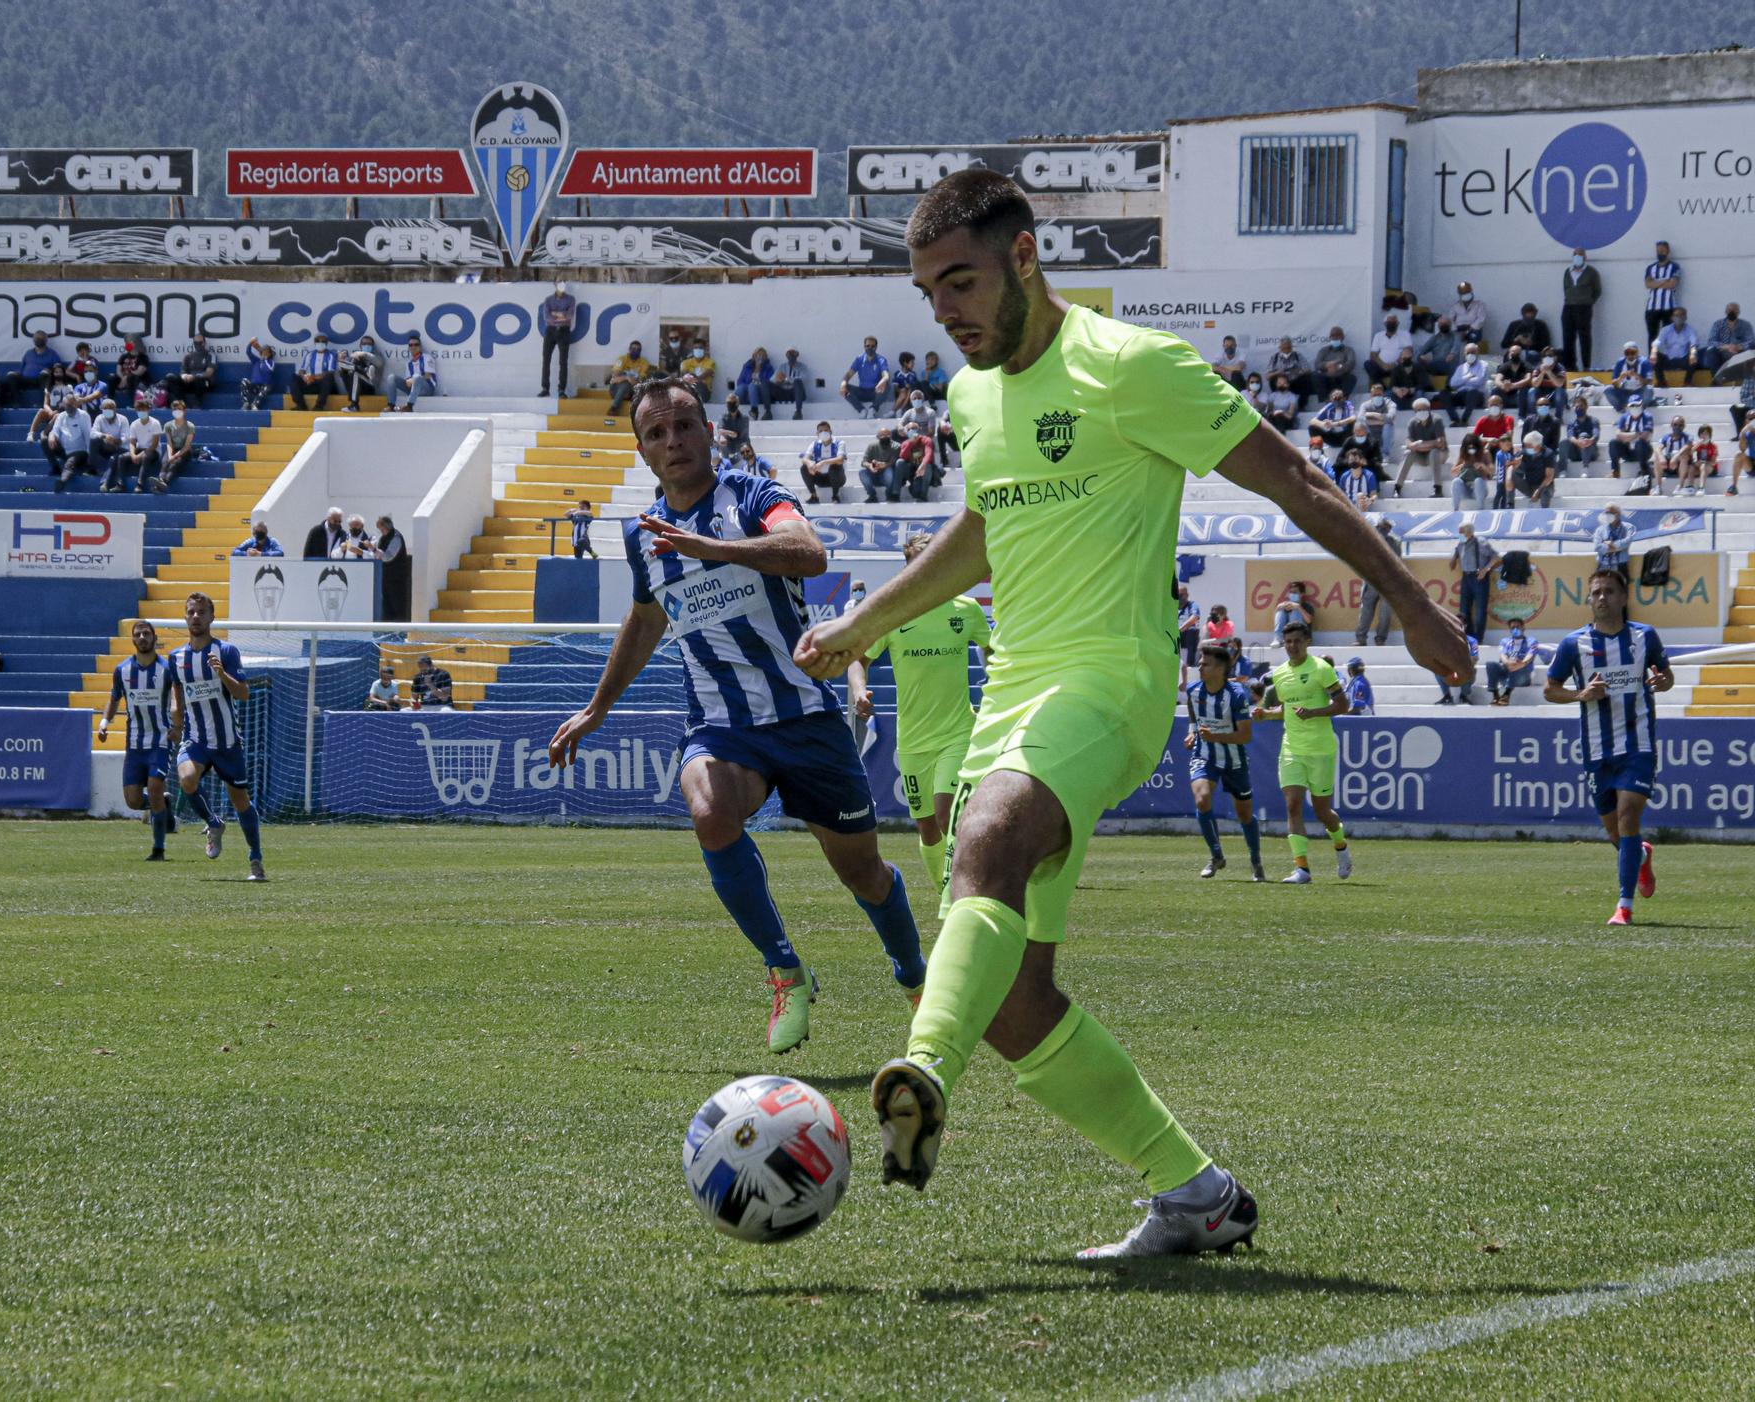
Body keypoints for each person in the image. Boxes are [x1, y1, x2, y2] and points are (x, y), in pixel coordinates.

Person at [792, 170, 1466, 1258]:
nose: (942, 311)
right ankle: (1194, 1192)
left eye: (958, 281)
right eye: (925, 293)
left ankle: (920, 1070)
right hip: (1010, 688)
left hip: (1111, 680)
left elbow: (1293, 477)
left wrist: (1406, 598)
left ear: (1022, 258)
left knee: (985, 838)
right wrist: (863, 623)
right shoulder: (968, 397)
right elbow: (982, 531)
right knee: (1015, 1001)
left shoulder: (1131, 366)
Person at [549, 374, 930, 1055]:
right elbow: (643, 621)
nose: (673, 441)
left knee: (864, 875)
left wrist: (712, 549)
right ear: (641, 451)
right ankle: (785, 970)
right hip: (723, 726)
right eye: (656, 434)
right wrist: (596, 709)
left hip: (808, 718)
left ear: (710, 431)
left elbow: (810, 553)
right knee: (708, 810)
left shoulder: (752, 496)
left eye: (684, 425)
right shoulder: (644, 539)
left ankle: (914, 978)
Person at [844, 533, 992, 896]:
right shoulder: (895, 614)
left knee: (947, 816)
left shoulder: (966, 609)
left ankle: (961, 897)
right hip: (913, 740)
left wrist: (999, 681)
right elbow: (857, 661)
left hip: (958, 731)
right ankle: (947, 894)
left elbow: (993, 652)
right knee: (927, 827)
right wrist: (859, 690)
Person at [1544, 570, 1673, 926]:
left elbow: (1666, 675)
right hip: (1597, 750)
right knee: (1617, 833)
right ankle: (1640, 859)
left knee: (1628, 815)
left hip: (1638, 744)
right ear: (1589, 599)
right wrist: (1579, 694)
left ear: (1623, 597)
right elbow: (1550, 688)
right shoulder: (1574, 644)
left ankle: (1624, 906)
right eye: (1596, 592)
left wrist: (1663, 681)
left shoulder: (1644, 637)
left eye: (1609, 592)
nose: (1602, 597)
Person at [167, 592, 266, 882]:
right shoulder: (176, 658)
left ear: (212, 617)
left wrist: (222, 675)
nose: (195, 617)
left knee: (241, 802)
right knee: (186, 779)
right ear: (185, 617)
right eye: (191, 612)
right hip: (195, 739)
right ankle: (214, 823)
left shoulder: (227, 651)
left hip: (226, 743)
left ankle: (255, 858)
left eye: (201, 612)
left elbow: (243, 694)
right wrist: (175, 714)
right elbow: (177, 693)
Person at [1250, 620, 1354, 884]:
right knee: (1293, 805)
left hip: (1321, 749)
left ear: (1307, 642)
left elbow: (1343, 704)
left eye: (1297, 641)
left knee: (1323, 812)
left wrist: (1313, 713)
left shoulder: (1321, 669)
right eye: (1288, 642)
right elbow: (1287, 710)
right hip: (1291, 749)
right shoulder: (1280, 673)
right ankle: (1302, 869)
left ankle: (1340, 846)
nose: (1292, 646)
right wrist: (1266, 714)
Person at [1181, 642, 1264, 881]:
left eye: (1205, 664)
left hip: (1234, 761)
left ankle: (1256, 860)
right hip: (1204, 755)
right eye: (1199, 663)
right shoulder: (1194, 690)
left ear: (1219, 669)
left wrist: (1214, 735)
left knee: (1245, 814)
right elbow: (1193, 713)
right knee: (1202, 798)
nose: (1200, 667)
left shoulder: (1237, 695)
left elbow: (1246, 735)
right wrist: (1192, 731)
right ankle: (1216, 855)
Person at [98, 620, 180, 860]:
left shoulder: (166, 669)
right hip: (134, 744)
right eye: (138, 634)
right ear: (133, 640)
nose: (142, 637)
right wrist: (104, 724)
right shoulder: (122, 671)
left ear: (154, 638)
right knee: (133, 801)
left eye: (146, 633)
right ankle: (163, 807)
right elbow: (114, 699)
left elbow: (177, 700)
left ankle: (158, 849)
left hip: (160, 741)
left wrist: (177, 726)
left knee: (155, 787)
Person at [1355, 518, 1402, 645]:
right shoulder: (1367, 540)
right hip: (1371, 579)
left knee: (1385, 612)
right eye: (1380, 528)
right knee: (1366, 610)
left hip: (1388, 581)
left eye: (1385, 528)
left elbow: (1396, 562)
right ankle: (1361, 638)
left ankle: (1381, 638)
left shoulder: (1395, 542)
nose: (1382, 531)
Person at [1452, 522, 1499, 643]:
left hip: (1479, 577)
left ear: (1469, 532)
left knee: (1479, 611)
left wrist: (1486, 569)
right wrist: (1454, 558)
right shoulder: (1461, 543)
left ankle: (1478, 639)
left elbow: (1495, 557)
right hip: (1466, 577)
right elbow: (1458, 551)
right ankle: (1467, 636)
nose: (1460, 534)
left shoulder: (1481, 543)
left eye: (1461, 532)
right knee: (1464, 609)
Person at [1391, 397, 1447, 498]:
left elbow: (1440, 443)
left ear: (1429, 409)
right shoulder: (1412, 422)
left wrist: (1419, 445)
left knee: (1434, 451)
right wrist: (1416, 446)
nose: (1421, 412)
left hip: (1439, 454)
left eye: (1424, 409)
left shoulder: (1436, 420)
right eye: (1418, 410)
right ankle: (1397, 488)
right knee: (1408, 453)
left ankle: (1438, 489)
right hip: (1422, 456)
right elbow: (1409, 442)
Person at [44, 394, 94, 490]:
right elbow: (55, 431)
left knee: (70, 463)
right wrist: (51, 436)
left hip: (80, 452)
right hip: (65, 450)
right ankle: (55, 467)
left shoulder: (84, 416)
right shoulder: (61, 416)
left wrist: (90, 458)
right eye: (67, 405)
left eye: (71, 405)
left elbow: (88, 436)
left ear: (76, 404)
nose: (69, 407)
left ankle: (62, 481)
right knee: (44, 440)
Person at [1561, 248, 1600, 371]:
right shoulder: (1568, 271)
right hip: (1568, 307)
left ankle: (1586, 366)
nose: (1578, 257)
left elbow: (1597, 291)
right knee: (1568, 337)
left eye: (1580, 255)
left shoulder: (1591, 272)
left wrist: (1588, 302)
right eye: (1575, 255)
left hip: (1584, 308)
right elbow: (1565, 288)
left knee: (1584, 337)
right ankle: (1570, 366)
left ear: (1585, 257)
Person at [4, 331, 63, 408]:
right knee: (11, 375)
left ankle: (43, 403)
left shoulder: (52, 353)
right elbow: (21, 368)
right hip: (26, 380)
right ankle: (16, 402)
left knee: (45, 374)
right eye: (37, 338)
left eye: (41, 338)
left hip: (41, 380)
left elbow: (58, 369)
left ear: (46, 340)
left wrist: (49, 370)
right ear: (33, 340)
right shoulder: (28, 353)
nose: (39, 339)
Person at [539, 280, 576, 397]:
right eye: (559, 283)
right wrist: (562, 315)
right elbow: (547, 317)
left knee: (563, 362)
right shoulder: (548, 299)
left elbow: (569, 315)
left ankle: (561, 390)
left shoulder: (570, 299)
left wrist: (556, 314)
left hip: (564, 331)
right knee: (546, 360)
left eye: (563, 283)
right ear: (555, 285)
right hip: (550, 331)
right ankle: (545, 388)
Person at [1487, 619, 1536, 706]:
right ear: (1510, 630)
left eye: (1518, 627)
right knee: (1491, 665)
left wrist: (1518, 664)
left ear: (1523, 628)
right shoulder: (1505, 641)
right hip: (1506, 674)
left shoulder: (1531, 641)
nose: (1515, 629)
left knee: (1516, 665)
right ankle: (1495, 695)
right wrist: (1508, 663)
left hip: (1522, 676)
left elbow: (1529, 657)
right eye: (1513, 627)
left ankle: (1507, 694)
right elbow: (1503, 656)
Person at [1650, 308, 1701, 388]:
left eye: (1681, 315)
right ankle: (1661, 382)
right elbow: (1657, 342)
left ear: (1685, 317)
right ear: (1672, 317)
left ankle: (1687, 382)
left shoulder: (1690, 330)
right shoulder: (1666, 329)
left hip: (1683, 359)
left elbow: (1694, 344)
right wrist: (1653, 353)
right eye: (1676, 315)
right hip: (1668, 359)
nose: (1679, 317)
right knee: (1655, 355)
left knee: (1695, 355)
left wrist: (1693, 353)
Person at [841, 336, 890, 417]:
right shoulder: (859, 359)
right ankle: (861, 410)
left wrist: (883, 381)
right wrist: (843, 384)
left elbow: (886, 375)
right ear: (864, 346)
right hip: (862, 392)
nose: (870, 348)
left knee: (887, 385)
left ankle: (873, 409)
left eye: (872, 346)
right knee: (845, 386)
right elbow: (849, 374)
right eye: (867, 346)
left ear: (876, 347)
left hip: (875, 392)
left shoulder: (881, 360)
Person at [1642, 241, 1680, 347]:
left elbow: (1672, 284)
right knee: (1652, 337)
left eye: (1662, 251)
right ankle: (1653, 362)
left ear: (1668, 251)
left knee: (1669, 337)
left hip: (1669, 308)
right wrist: (1665, 281)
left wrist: (1656, 282)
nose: (1660, 253)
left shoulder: (1674, 267)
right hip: (1651, 308)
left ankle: (1667, 362)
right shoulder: (1651, 268)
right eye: (1658, 251)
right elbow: (1648, 284)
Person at [1508, 430, 1558, 508]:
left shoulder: (1548, 454)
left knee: (1545, 492)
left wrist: (1538, 490)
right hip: (1529, 486)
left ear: (1537, 446)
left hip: (1544, 486)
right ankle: (1509, 504)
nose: (1526, 447)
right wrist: (1514, 464)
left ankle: (1545, 511)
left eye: (1529, 446)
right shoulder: (1524, 452)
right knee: (1511, 474)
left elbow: (1549, 477)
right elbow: (1509, 463)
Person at [799, 421, 846, 503]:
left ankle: (835, 496)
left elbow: (840, 459)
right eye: (820, 431)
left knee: (835, 466)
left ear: (830, 432)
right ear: (817, 434)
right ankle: (814, 496)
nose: (823, 433)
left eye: (826, 430)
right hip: (820, 478)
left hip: (838, 479)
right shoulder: (814, 444)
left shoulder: (839, 443)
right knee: (804, 468)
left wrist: (823, 462)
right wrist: (809, 463)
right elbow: (804, 458)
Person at [1608, 397, 1655, 479]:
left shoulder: (1647, 417)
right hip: (1628, 450)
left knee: (1640, 443)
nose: (1634, 407)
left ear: (1641, 404)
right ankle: (1615, 471)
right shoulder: (1624, 417)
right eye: (1632, 405)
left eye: (1637, 405)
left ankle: (1644, 470)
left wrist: (1626, 436)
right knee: (1613, 443)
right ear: (1628, 406)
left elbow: (1646, 435)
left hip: (1643, 451)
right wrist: (1636, 434)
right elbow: (1618, 435)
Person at [374, 515, 410, 620]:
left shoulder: (396, 537)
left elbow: (388, 557)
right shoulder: (383, 538)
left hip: (396, 578)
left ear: (386, 527)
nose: (381, 531)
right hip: (386, 577)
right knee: (387, 605)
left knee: (397, 604)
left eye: (381, 529)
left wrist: (374, 550)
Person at [90, 399, 129, 490]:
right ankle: (92, 468)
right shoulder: (99, 418)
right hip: (105, 446)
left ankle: (104, 484)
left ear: (115, 409)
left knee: (113, 458)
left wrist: (115, 441)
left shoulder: (123, 419)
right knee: (94, 441)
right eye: (105, 408)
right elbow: (92, 433)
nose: (108, 410)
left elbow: (126, 437)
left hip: (119, 448)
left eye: (111, 408)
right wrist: (104, 436)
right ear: (102, 409)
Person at [605, 339, 652, 415]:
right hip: (615, 390)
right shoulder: (622, 359)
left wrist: (626, 379)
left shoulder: (644, 363)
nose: (635, 351)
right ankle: (614, 408)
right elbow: (614, 378)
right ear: (629, 349)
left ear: (640, 351)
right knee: (625, 384)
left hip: (632, 391)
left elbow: (639, 381)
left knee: (629, 385)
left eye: (638, 349)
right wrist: (627, 378)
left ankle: (614, 408)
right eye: (633, 349)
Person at [1703, 302, 1752, 374]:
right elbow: (1711, 341)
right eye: (1729, 310)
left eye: (1734, 310)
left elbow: (1751, 341)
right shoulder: (1718, 324)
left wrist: (1738, 347)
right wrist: (1727, 347)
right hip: (1722, 352)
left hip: (1739, 353)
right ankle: (1717, 380)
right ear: (1725, 312)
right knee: (1711, 351)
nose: (1731, 312)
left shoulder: (1745, 325)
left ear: (1739, 312)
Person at [1445, 347, 1489, 427]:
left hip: (1476, 396)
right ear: (1464, 354)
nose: (1470, 355)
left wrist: (1461, 381)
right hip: (1461, 395)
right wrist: (1468, 376)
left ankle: (1464, 419)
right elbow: (1452, 383)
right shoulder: (1460, 367)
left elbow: (1479, 381)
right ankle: (1455, 419)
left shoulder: (1483, 365)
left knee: (1472, 392)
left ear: (1477, 353)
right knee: (1443, 393)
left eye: (1473, 352)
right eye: (1468, 353)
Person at [291, 335, 336, 410]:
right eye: (318, 341)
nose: (320, 343)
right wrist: (304, 376)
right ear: (315, 343)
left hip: (324, 386)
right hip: (311, 384)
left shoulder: (331, 355)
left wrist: (312, 377)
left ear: (327, 343)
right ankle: (301, 405)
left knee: (329, 377)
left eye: (323, 341)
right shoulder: (310, 354)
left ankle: (319, 406)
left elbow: (330, 372)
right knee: (293, 377)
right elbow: (301, 370)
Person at [157, 403, 196, 493]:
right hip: (173, 448)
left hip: (185, 451)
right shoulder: (168, 425)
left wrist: (174, 457)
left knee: (174, 463)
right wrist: (170, 455)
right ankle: (160, 481)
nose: (177, 411)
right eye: (175, 409)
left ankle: (164, 482)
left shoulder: (190, 426)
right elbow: (169, 443)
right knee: (165, 461)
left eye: (179, 409)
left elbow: (187, 446)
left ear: (184, 411)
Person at [1605, 341, 1653, 411]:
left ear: (1637, 352)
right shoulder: (1620, 362)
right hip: (1624, 392)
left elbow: (1649, 382)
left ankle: (1640, 409)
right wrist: (1620, 378)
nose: (1630, 356)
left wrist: (1637, 376)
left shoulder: (1644, 362)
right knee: (1608, 389)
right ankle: (1621, 409)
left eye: (1632, 353)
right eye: (1627, 353)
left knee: (1649, 389)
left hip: (1639, 392)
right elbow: (1614, 383)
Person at [1651, 415, 1692, 497]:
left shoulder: (1688, 437)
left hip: (1682, 465)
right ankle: (1658, 487)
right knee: (1657, 457)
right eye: (1675, 424)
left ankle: (1680, 486)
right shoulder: (1666, 437)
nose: (1677, 427)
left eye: (1680, 425)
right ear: (1671, 425)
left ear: (1684, 426)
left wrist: (1675, 457)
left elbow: (1687, 447)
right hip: (1669, 464)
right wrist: (1662, 457)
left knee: (1684, 455)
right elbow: (1658, 448)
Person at [341, 335, 385, 411]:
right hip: (353, 387)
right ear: (360, 345)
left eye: (369, 344)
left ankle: (354, 405)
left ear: (373, 346)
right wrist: (343, 358)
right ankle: (365, 371)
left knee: (355, 374)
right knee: (343, 368)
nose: (367, 345)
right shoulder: (355, 356)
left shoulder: (376, 356)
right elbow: (345, 367)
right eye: (364, 344)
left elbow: (380, 363)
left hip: (369, 387)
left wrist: (364, 354)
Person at [124, 405, 163, 489]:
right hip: (140, 449)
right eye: (139, 410)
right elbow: (132, 442)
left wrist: (139, 455)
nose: (141, 412)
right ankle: (120, 484)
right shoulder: (134, 424)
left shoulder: (155, 423)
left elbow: (155, 444)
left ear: (148, 410)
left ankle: (140, 485)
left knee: (145, 457)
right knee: (121, 458)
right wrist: (133, 455)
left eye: (143, 410)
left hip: (154, 451)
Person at [396, 336, 439, 410]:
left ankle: (409, 406)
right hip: (414, 389)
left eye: (416, 344)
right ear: (408, 347)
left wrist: (413, 379)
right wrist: (410, 381)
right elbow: (407, 381)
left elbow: (427, 375)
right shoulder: (409, 363)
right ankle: (390, 405)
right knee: (392, 378)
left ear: (420, 346)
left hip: (427, 389)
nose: (413, 347)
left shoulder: (427, 357)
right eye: (411, 345)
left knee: (416, 376)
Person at [1312, 327, 1356, 397]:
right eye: (1333, 335)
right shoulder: (1323, 350)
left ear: (1343, 337)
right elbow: (1317, 364)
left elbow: (1351, 364)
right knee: (1315, 375)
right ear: (1330, 337)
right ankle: (1324, 400)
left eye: (1338, 335)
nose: (1335, 337)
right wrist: (1327, 365)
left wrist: (1338, 367)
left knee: (1351, 378)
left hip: (1341, 376)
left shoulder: (1348, 350)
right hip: (1326, 375)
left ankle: (1342, 400)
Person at [1266, 336, 1311, 404]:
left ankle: (1301, 405)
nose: (1287, 350)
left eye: (1289, 348)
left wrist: (1300, 372)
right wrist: (1277, 372)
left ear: (1292, 347)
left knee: (1306, 379)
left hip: (1295, 380)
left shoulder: (1297, 355)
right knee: (1272, 380)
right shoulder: (1275, 357)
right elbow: (1267, 376)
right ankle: (1277, 403)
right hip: (1281, 382)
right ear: (1280, 348)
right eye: (1284, 348)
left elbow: (1308, 369)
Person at [768, 348, 811, 420]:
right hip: (783, 392)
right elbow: (772, 379)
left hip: (796, 393)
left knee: (797, 382)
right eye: (789, 354)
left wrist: (786, 379)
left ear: (797, 355)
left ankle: (798, 411)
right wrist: (777, 379)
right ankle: (767, 412)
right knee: (767, 383)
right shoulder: (782, 366)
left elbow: (802, 379)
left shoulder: (802, 366)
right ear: (786, 356)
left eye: (793, 354)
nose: (791, 356)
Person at [1677, 424, 1718, 497]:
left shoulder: (1713, 446)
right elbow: (1690, 454)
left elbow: (1713, 462)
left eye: (1706, 433)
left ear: (1709, 435)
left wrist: (1703, 462)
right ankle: (1690, 487)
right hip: (1700, 466)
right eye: (1702, 433)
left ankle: (1701, 488)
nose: (1704, 436)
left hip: (1710, 467)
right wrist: (1696, 446)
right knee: (1691, 467)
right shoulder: (1698, 445)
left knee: (1703, 466)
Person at [860, 426, 899, 503]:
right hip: (873, 474)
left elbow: (894, 460)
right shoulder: (872, 446)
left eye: (887, 434)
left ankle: (889, 494)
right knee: (862, 472)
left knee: (889, 470)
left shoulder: (895, 445)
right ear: (877, 437)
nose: (885, 436)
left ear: (891, 435)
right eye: (882, 435)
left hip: (887, 476)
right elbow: (863, 462)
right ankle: (872, 495)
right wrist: (870, 466)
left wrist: (885, 465)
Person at [1365, 314, 1409, 381]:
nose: (1391, 324)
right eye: (1389, 323)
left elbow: (1408, 351)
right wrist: (1383, 365)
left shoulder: (1405, 334)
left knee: (1407, 365)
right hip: (1382, 367)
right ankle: (1381, 386)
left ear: (1398, 323)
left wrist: (1395, 363)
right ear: (1385, 324)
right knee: (1368, 364)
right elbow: (1373, 354)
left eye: (1393, 322)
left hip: (1397, 366)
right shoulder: (1378, 335)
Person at [1562, 395, 1601, 472]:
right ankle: (1562, 470)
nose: (1578, 408)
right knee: (1563, 443)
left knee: (1584, 436)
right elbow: (1570, 436)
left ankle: (1585, 468)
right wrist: (1578, 442)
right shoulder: (1572, 423)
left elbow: (1596, 434)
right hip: (1576, 453)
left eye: (1581, 406)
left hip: (1591, 452)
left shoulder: (1594, 420)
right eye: (1576, 407)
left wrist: (1589, 441)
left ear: (1586, 407)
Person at [1592, 505, 1634, 576]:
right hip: (1603, 566)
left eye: (1610, 513)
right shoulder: (1600, 530)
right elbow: (1597, 547)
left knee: (1621, 586)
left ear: (1618, 514)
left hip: (1620, 566)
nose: (1607, 515)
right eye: (1606, 513)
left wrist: (1610, 544)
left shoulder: (1628, 527)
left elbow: (1626, 542)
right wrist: (1616, 546)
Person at [1415, 314, 1459, 379]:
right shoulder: (1434, 338)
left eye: (1446, 323)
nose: (1443, 325)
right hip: (1435, 364)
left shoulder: (1455, 336)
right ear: (1438, 325)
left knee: (1451, 365)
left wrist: (1452, 354)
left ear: (1450, 325)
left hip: (1449, 364)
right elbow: (1422, 351)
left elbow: (1456, 347)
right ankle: (1426, 387)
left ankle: (1448, 387)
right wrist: (1421, 358)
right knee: (1417, 366)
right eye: (1441, 324)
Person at [236, 339, 275, 411]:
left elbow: (268, 369)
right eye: (263, 351)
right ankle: (246, 403)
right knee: (244, 380)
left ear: (269, 354)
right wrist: (250, 343)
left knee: (268, 386)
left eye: (266, 352)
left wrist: (264, 359)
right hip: (254, 386)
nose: (264, 353)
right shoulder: (256, 360)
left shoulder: (270, 362)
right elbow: (248, 352)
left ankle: (255, 404)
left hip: (264, 386)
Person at [113, 340, 155, 406]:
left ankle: (134, 404)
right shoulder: (123, 356)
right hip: (123, 379)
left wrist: (126, 378)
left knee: (131, 377)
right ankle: (111, 401)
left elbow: (139, 372)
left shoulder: (143, 357)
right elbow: (118, 370)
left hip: (139, 380)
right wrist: (123, 378)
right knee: (112, 377)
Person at [1448, 280, 1489, 345]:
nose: (1465, 295)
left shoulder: (1479, 305)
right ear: (1460, 295)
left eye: (1467, 293)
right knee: (1453, 339)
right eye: (1463, 294)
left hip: (1473, 329)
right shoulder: (1455, 306)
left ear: (1471, 292)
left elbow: (1481, 319)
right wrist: (1455, 330)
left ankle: (1471, 354)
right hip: (1458, 329)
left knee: (1473, 338)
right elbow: (1450, 320)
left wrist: (1468, 330)